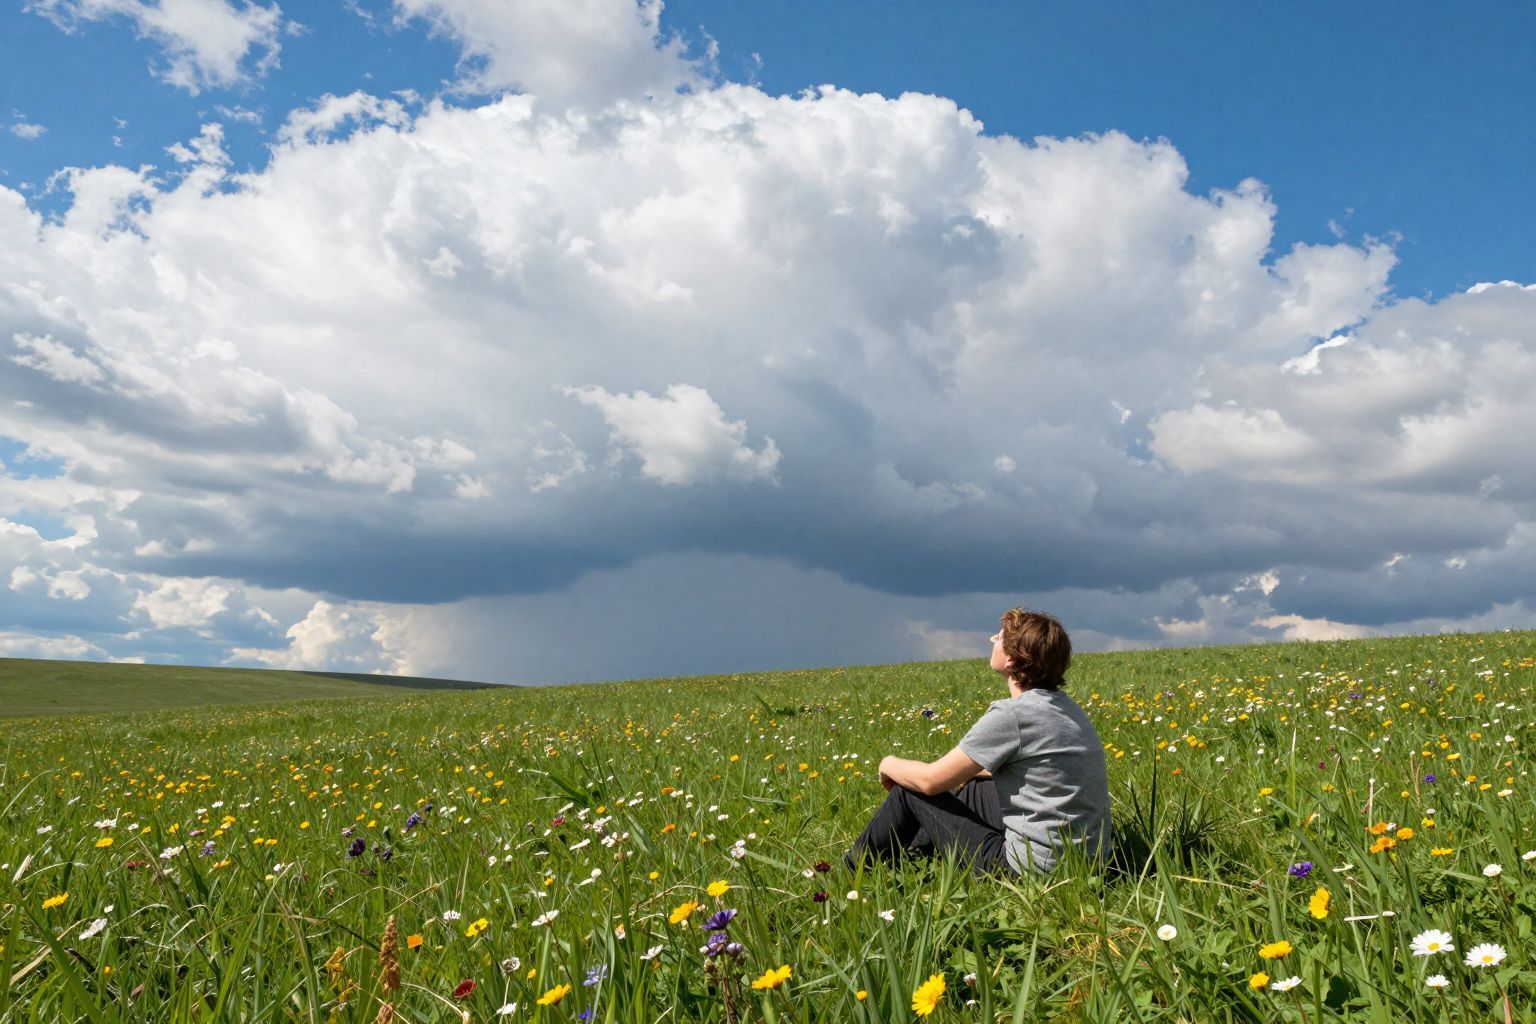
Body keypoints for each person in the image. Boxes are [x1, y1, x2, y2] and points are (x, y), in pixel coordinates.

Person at [845, 608, 1111, 875]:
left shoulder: (1012, 715)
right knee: (974, 787)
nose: (992, 639)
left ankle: (849, 874)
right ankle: (919, 858)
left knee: (910, 790)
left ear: (1011, 660)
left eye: (1000, 638)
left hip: (1028, 872)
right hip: (1088, 865)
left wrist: (887, 764)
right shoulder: (1068, 708)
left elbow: (929, 781)